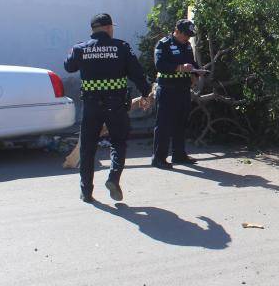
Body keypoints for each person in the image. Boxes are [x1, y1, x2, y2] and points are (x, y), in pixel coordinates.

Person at [64, 13, 151, 203]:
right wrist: (146, 93)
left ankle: (86, 191)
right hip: (116, 105)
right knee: (118, 143)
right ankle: (113, 178)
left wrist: (73, 51)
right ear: (109, 28)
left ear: (93, 29)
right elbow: (137, 73)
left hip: (91, 106)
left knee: (87, 147)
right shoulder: (121, 47)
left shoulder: (81, 48)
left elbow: (69, 67)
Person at [151, 19, 205, 168]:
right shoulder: (164, 44)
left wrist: (197, 70)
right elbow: (160, 65)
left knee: (181, 123)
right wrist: (180, 68)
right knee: (163, 125)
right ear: (177, 31)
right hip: (167, 89)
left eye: (189, 35)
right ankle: (159, 158)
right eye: (186, 34)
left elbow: (191, 62)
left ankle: (179, 155)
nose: (188, 38)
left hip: (183, 89)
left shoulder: (186, 45)